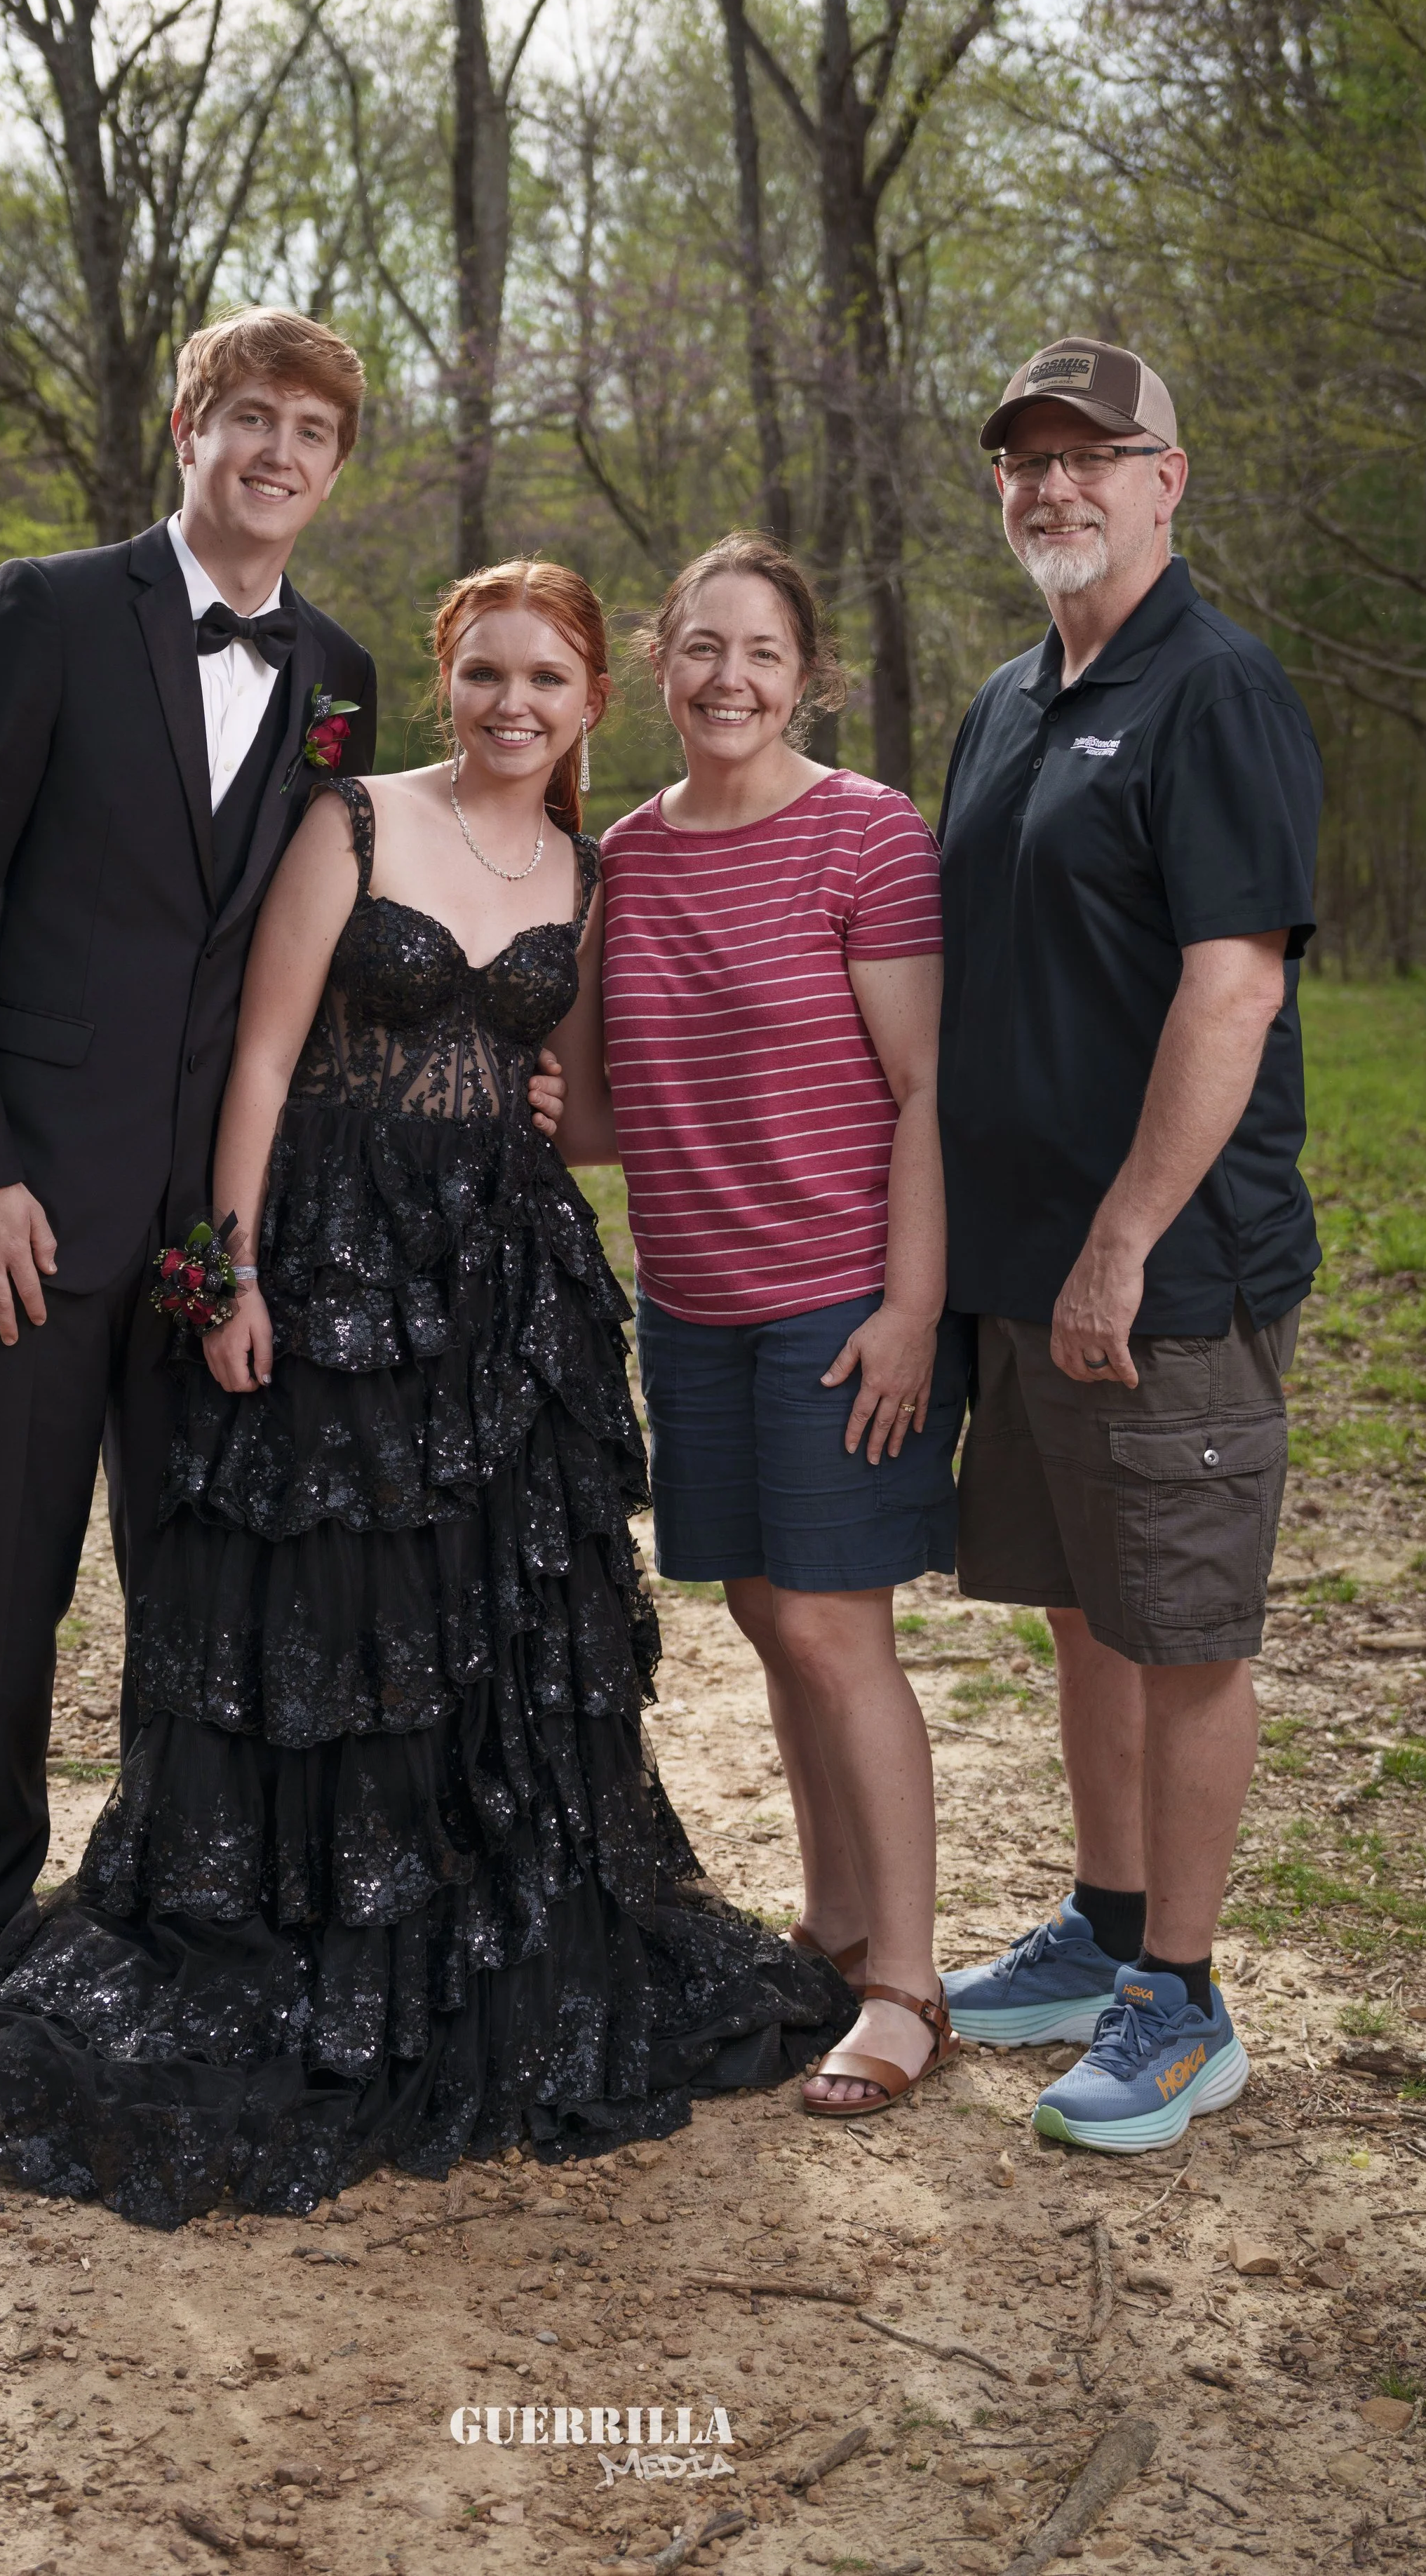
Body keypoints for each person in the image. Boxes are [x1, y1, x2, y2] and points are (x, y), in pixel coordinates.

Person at [0, 559, 852, 2225]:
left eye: (546, 683)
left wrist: (559, 1088)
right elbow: (264, 1055)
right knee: (336, 1603)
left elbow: (594, 1119)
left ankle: (468, 1909)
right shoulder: (351, 822)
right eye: (485, 673)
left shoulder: (593, 863)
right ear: (445, 678)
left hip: (506, 1283)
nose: (512, 705)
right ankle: (294, 1921)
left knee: (490, 1612)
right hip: (336, 1263)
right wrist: (239, 1271)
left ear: (586, 706)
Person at [0, 307, 384, 2058]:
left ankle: (172, 1888)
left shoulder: (339, 676)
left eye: (310, 432)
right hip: (20, 1202)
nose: (276, 455)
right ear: (187, 426)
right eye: (250, 417)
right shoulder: (44, 608)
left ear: (333, 466)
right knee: (7, 1575)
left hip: (200, 1221)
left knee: (196, 1581)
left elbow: (314, 956)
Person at [934, 336, 1322, 2152]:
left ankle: (1184, 1991)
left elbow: (1229, 987)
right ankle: (1100, 1933)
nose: (1053, 484)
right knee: (1084, 1603)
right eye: (1025, 458)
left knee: (1179, 1629)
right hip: (1020, 1264)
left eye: (1094, 455)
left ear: (1169, 479)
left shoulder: (1211, 692)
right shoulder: (1007, 701)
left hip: (1161, 1269)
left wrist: (1120, 1239)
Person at [549, 533, 969, 2120]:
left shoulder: (865, 832)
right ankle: (832, 1921)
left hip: (838, 1297)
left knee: (827, 1625)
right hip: (691, 1299)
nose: (730, 679)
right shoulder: (627, 856)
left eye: (762, 654)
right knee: (755, 1608)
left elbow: (924, 1085)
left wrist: (912, 1309)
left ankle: (904, 1987)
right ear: (658, 668)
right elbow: (600, 1113)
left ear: (808, 677)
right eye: (702, 649)